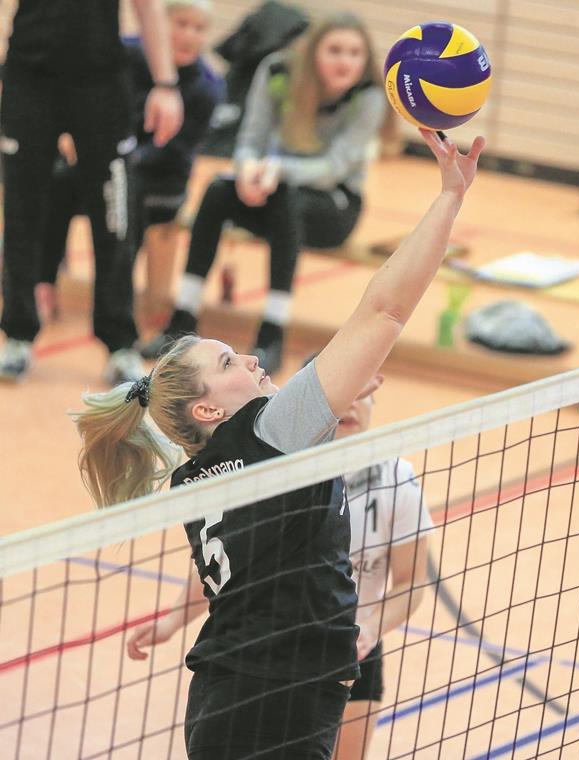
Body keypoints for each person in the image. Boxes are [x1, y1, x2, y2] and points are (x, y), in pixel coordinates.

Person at [72, 129, 483, 759]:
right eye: (231, 360)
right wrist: (449, 199)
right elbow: (385, 312)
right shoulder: (271, 430)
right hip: (275, 701)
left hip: (240, 699)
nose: (255, 357)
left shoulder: (194, 476)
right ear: (208, 407)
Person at [125, 363, 435, 760]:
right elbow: (229, 566)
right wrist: (171, 621)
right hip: (274, 653)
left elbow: (412, 583)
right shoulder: (278, 470)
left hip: (350, 646)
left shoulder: (396, 479)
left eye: (363, 396)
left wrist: (372, 627)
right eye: (345, 397)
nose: (352, 406)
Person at [140, 12, 388, 374]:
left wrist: (274, 171)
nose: (345, 61)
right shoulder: (277, 72)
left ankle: (272, 333)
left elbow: (335, 167)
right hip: (271, 191)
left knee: (288, 200)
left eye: (354, 53)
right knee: (217, 191)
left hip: (334, 206)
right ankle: (181, 323)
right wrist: (245, 173)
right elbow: (250, 140)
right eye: (335, 50)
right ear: (313, 51)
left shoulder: (367, 96)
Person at [0, 0, 183, 383]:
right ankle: (17, 333)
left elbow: (147, 6)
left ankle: (119, 343)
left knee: (114, 215)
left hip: (100, 83)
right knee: (21, 210)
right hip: (28, 77)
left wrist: (166, 85)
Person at [37, 0, 225, 322]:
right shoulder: (125, 57)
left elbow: (172, 152)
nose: (189, 36)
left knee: (129, 194)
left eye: (199, 29)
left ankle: (113, 306)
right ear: (157, 26)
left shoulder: (207, 86)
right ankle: (42, 283)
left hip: (160, 181)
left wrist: (110, 158)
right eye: (181, 24)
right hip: (104, 166)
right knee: (58, 180)